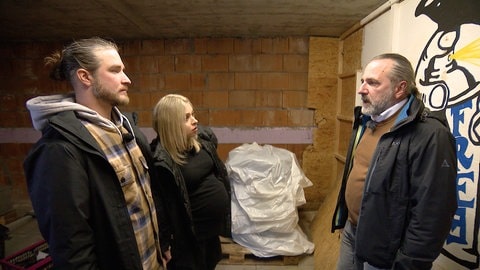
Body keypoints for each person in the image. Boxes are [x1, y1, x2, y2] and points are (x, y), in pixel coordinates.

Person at [23, 37, 170, 269]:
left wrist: (162, 244)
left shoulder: (127, 128)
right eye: (115, 70)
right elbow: (71, 247)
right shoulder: (60, 149)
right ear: (85, 77)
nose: (127, 79)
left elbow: (149, 195)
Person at [331, 53, 457, 270]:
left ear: (400, 88)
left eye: (372, 83)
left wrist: (409, 262)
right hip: (352, 234)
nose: (362, 89)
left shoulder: (430, 135)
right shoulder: (367, 120)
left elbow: (434, 212)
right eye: (363, 82)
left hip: (387, 252)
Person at [150, 94, 231, 270]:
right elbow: (161, 207)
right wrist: (164, 243)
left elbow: (216, 172)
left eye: (193, 114)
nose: (195, 121)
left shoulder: (202, 141)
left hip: (210, 232)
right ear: (171, 124)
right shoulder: (162, 162)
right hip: (189, 239)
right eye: (186, 118)